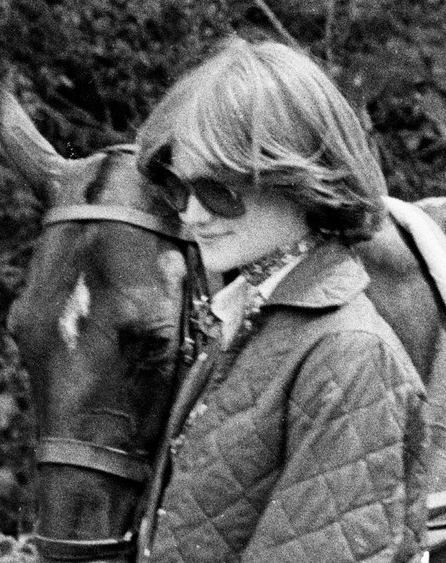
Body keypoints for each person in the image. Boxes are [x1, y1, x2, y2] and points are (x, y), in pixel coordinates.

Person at [135, 37, 428, 562]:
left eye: (217, 190)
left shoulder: (349, 355)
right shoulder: (244, 318)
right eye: (178, 191)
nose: (192, 216)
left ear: (296, 178)